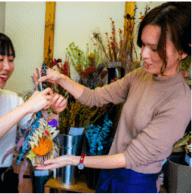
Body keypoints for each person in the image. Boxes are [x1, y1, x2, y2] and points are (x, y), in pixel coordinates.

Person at [35, 2, 190, 193]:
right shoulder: (140, 76)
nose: (144, 55)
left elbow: (129, 158)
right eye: (142, 45)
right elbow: (94, 97)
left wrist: (74, 160)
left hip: (135, 183)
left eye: (154, 48)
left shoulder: (180, 102)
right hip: (109, 174)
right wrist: (60, 79)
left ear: (183, 51)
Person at [0, 29, 67, 193]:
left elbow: (41, 146)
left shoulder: (11, 99)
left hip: (6, 182)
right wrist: (24, 108)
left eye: (10, 60)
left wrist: (55, 114)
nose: (8, 67)